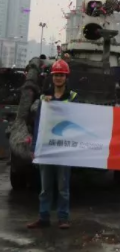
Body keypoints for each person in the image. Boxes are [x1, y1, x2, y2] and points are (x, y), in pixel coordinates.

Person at [28, 59, 78, 230]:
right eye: (56, 75)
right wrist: (35, 147)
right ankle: (43, 217)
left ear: (66, 77)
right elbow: (38, 123)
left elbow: (79, 119)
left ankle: (63, 218)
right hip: (46, 147)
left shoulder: (72, 97)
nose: (58, 78)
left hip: (63, 148)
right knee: (45, 187)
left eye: (61, 75)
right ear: (52, 77)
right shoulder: (44, 98)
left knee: (63, 187)